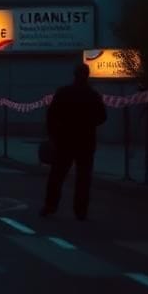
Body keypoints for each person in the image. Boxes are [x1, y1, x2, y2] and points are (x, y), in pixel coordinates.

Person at [40, 63, 108, 220]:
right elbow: (102, 117)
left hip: (65, 141)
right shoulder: (93, 95)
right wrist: (89, 124)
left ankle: (51, 205)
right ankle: (80, 210)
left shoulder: (63, 92)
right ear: (87, 75)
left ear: (74, 75)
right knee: (83, 178)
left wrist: (53, 135)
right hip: (86, 141)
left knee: (57, 175)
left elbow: (51, 115)